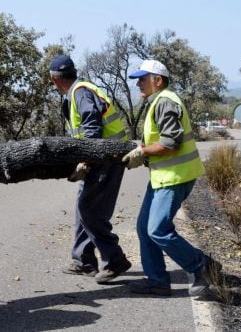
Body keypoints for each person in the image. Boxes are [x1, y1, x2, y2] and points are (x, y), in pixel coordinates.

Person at [122, 59, 222, 298]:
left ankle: (203, 267)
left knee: (157, 230)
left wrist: (142, 152)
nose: (138, 84)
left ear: (158, 80)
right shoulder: (157, 101)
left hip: (175, 177)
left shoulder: (165, 101)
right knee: (144, 229)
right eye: (137, 80)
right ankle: (157, 280)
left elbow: (170, 143)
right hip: (162, 177)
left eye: (143, 79)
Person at [49, 54, 132, 283]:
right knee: (82, 208)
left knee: (90, 211)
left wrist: (86, 159)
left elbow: (91, 127)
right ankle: (84, 261)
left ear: (54, 79)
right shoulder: (78, 91)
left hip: (106, 158)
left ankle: (115, 260)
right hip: (101, 157)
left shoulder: (80, 92)